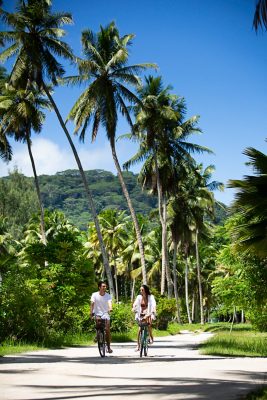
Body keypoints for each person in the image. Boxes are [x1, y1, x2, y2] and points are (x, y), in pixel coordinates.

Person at [90, 281, 113, 353]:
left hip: (105, 313)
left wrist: (110, 308)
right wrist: (91, 313)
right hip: (97, 313)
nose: (104, 288)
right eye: (103, 286)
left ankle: (108, 347)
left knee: (107, 329)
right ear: (99, 287)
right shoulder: (94, 295)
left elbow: (109, 303)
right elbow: (92, 304)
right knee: (98, 324)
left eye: (105, 286)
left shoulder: (108, 295)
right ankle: (98, 335)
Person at [132, 284, 156, 351]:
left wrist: (154, 310)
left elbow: (153, 304)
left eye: (142, 290)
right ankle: (138, 345)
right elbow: (135, 304)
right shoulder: (139, 297)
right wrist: (133, 308)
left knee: (149, 324)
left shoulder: (151, 297)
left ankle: (151, 337)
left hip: (149, 312)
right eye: (140, 290)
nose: (141, 291)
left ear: (145, 290)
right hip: (141, 313)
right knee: (140, 329)